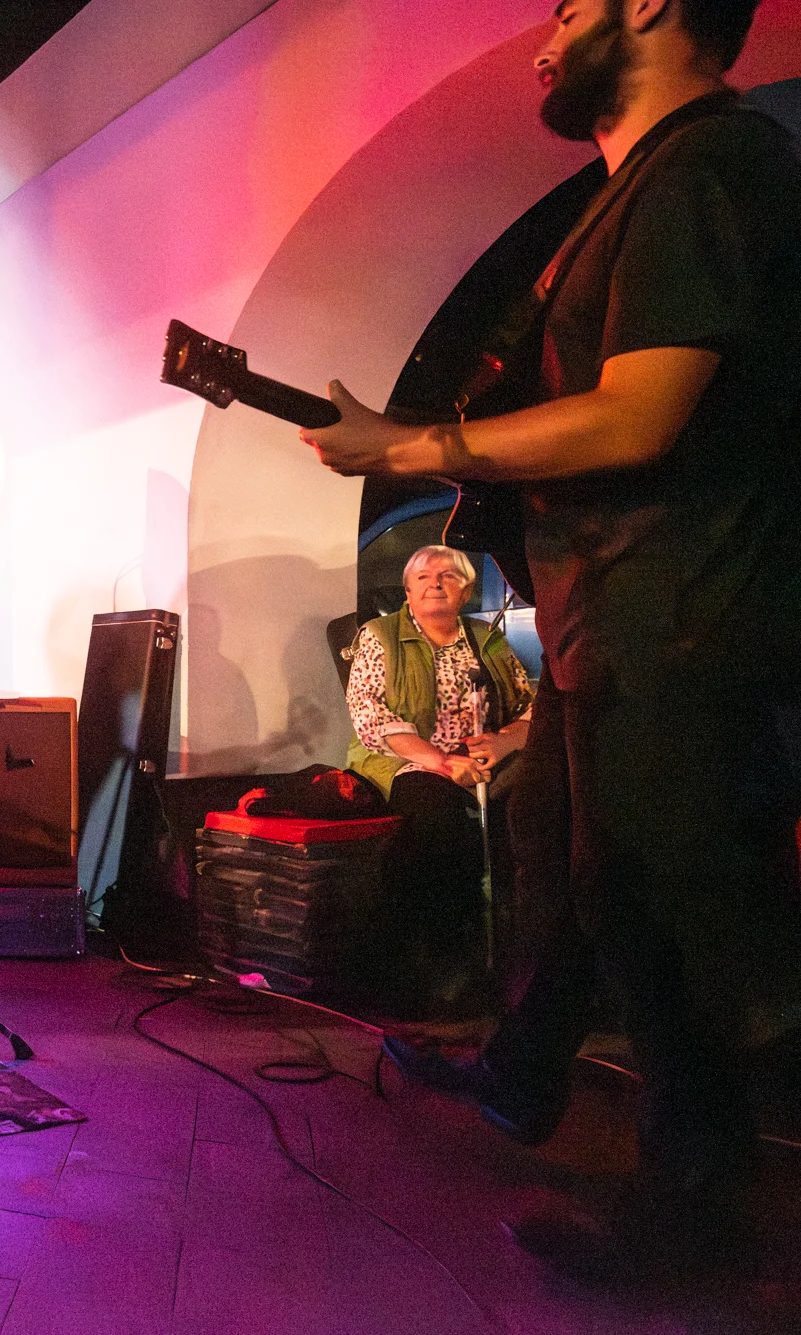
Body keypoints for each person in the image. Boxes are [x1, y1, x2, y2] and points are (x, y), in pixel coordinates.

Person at [302, 0, 801, 1277]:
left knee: (661, 911)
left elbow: (636, 416)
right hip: (617, 616)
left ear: (650, 6)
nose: (542, 35)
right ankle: (523, 1074)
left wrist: (416, 446)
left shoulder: (703, 167)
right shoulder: (633, 191)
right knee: (572, 865)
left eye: (570, 7)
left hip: (681, 618)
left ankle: (695, 1223)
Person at [345, 546, 533, 1011]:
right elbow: (371, 718)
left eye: (449, 576)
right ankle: (441, 964)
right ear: (408, 591)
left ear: (466, 592)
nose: (435, 583)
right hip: (407, 760)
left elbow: (530, 707)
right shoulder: (379, 637)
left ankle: (531, 959)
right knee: (439, 821)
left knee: (542, 801)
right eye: (423, 577)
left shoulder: (487, 639)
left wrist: (504, 741)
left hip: (482, 758)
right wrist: (443, 763)